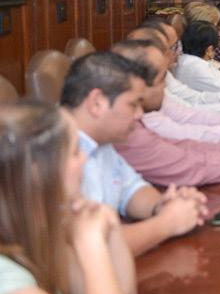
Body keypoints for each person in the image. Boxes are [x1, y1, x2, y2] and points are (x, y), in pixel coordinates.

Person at [0, 100, 134, 294]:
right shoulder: (5, 281)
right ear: (37, 172)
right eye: (75, 152)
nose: (84, 159)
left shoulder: (33, 229)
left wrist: (108, 222)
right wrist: (90, 243)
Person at [59, 52, 209, 256]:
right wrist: (167, 223)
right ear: (97, 102)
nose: (140, 114)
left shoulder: (101, 141)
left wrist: (163, 205)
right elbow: (90, 247)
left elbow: (130, 188)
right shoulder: (54, 154)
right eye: (133, 104)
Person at [110, 41, 220, 187]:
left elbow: (181, 143)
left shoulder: (132, 116)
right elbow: (185, 165)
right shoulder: (126, 128)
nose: (166, 86)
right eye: (161, 79)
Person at [127, 28, 220, 144]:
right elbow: (182, 125)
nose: (177, 53)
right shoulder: (189, 65)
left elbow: (190, 109)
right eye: (173, 47)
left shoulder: (165, 74)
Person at [133, 21, 220, 112]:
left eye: (177, 46)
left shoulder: (172, 71)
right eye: (173, 47)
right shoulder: (191, 65)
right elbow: (193, 107)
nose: (176, 52)